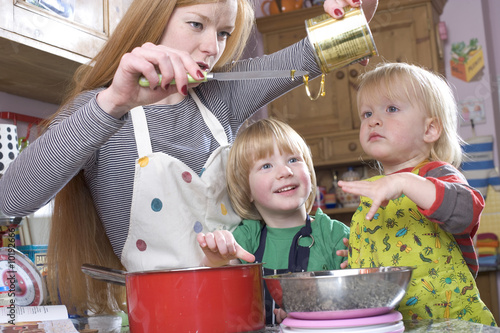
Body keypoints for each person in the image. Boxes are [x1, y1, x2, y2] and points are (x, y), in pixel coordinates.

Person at [0, 0, 377, 316]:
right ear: (153, 20)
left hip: (248, 313)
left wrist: (357, 6)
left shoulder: (223, 97)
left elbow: (323, 48)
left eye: (224, 32)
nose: (213, 47)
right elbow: (10, 200)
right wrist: (114, 101)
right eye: (197, 24)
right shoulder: (99, 110)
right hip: (160, 317)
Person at [338, 62, 497, 325]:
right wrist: (360, 252)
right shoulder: (374, 188)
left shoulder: (436, 174)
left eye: (391, 109)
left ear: (429, 129)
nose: (374, 120)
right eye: (366, 114)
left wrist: (405, 182)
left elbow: (467, 213)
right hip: (394, 323)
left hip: (450, 322)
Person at [197, 118, 350, 324]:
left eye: (293, 160)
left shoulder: (336, 236)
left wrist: (315, 315)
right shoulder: (247, 237)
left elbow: (356, 303)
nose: (285, 172)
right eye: (266, 165)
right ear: (246, 189)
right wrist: (215, 260)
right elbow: (214, 292)